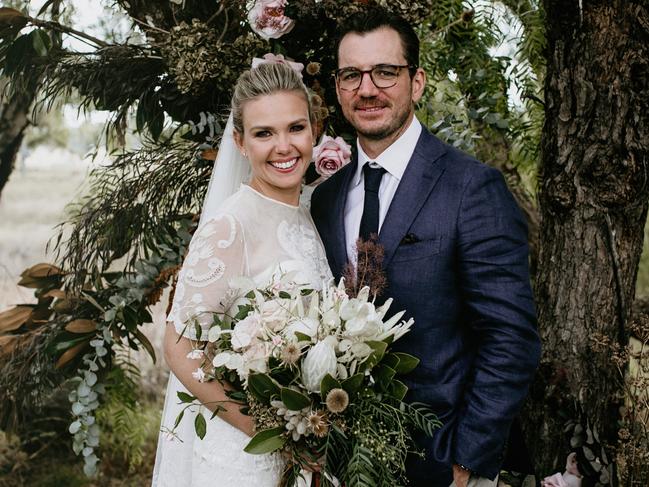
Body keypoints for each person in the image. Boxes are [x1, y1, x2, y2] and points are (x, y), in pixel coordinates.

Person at [310, 8, 541, 487]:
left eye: (385, 72)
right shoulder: (325, 199)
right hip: (342, 463)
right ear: (337, 87)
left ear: (416, 82)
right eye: (351, 74)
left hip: (443, 461)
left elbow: (510, 339)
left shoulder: (472, 188)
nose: (367, 89)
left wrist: (466, 465)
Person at [152, 61, 332, 486]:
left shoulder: (307, 210)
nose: (284, 147)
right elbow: (180, 346)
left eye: (295, 128)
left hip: (304, 445)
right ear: (240, 142)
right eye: (264, 133)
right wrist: (268, 429)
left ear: (314, 131)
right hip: (246, 454)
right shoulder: (231, 225)